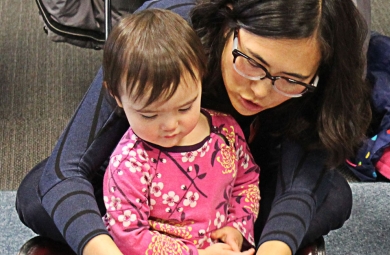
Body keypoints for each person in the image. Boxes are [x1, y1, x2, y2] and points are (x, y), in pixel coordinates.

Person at [15, 0, 371, 255]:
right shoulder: (168, 37)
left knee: (334, 196)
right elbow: (65, 169)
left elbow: (296, 187)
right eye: (251, 63)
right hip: (140, 192)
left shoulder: (323, 81)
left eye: (290, 80)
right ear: (228, 19)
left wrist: (256, 242)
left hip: (228, 192)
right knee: (37, 197)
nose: (260, 91)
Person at [101, 9, 260, 255]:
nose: (170, 125)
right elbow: (129, 237)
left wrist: (237, 227)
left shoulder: (225, 131)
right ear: (117, 97)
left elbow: (246, 179)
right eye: (149, 115)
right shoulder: (130, 163)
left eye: (185, 107)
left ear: (200, 78)